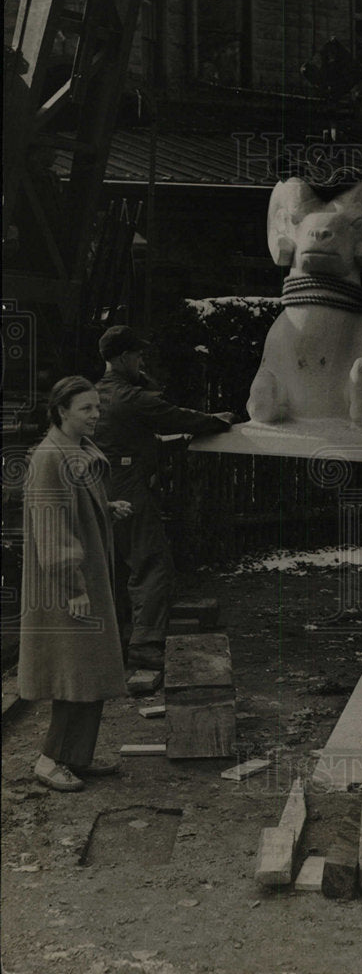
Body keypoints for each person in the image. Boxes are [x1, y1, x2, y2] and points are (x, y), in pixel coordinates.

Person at [93, 326, 235, 670]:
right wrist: (218, 421)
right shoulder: (132, 398)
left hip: (102, 483)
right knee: (151, 562)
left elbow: (137, 440)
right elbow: (175, 414)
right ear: (125, 357)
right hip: (128, 487)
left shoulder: (97, 394)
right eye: (138, 355)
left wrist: (175, 441)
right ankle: (144, 644)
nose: (143, 360)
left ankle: (114, 639)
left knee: (114, 563)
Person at [18, 376, 134, 792]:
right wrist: (75, 589)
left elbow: (76, 506)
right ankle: (49, 760)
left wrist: (105, 507)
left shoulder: (77, 451)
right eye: (86, 408)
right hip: (68, 584)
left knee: (90, 671)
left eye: (97, 408)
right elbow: (53, 529)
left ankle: (75, 758)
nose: (96, 415)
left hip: (87, 578)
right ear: (62, 410)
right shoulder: (50, 457)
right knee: (73, 674)